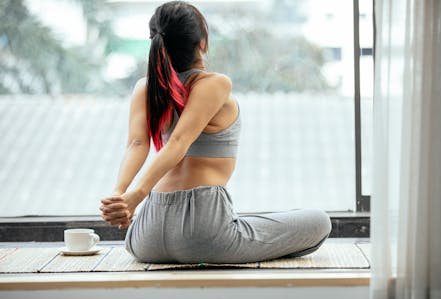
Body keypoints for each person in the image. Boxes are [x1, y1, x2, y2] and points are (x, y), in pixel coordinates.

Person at [99, 1, 331, 264]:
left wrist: (120, 197)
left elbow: (136, 144)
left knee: (249, 221)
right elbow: (179, 142)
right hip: (204, 233)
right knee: (319, 221)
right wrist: (134, 196)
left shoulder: (146, 87)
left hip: (145, 238)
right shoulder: (214, 84)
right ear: (202, 42)